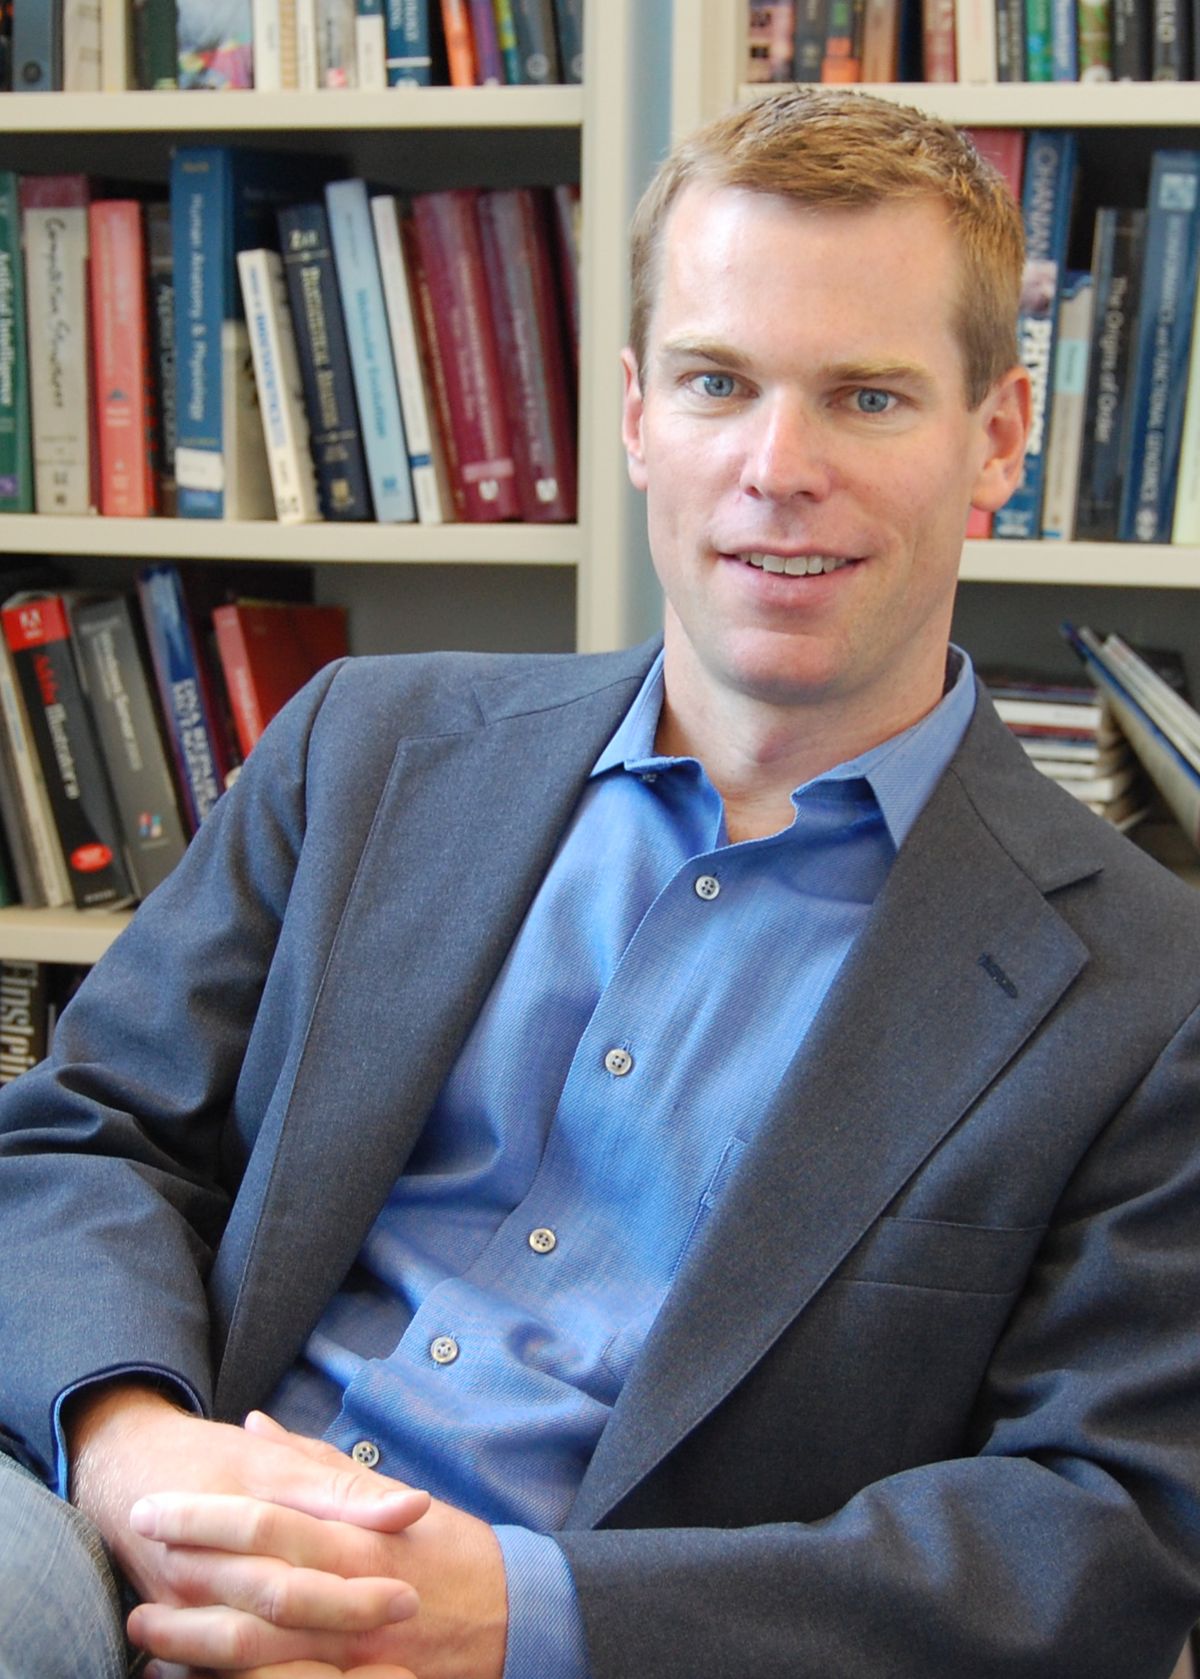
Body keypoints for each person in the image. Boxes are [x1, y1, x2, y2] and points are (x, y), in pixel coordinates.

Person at [3, 85, 1200, 1679]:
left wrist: (514, 1619)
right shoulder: (371, 747)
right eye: (720, 382)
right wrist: (133, 1447)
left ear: (997, 436)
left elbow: (1096, 1533)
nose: (779, 468)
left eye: (866, 398)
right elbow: (82, 1133)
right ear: (635, 411)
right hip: (120, 1557)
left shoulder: (1146, 990)